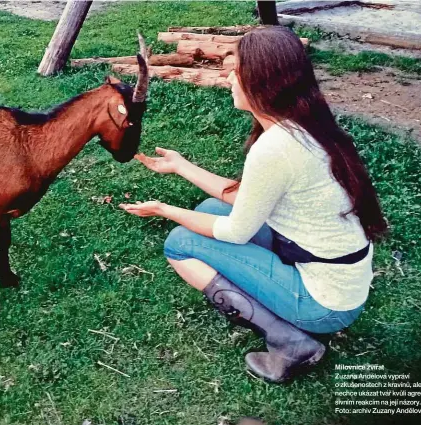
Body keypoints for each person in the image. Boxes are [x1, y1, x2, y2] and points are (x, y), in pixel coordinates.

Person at [119, 26, 387, 383]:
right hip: (336, 277)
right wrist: (180, 166)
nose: (229, 77)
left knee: (179, 244)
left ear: (262, 81)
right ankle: (277, 306)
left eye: (237, 69)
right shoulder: (301, 125)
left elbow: (235, 231)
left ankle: (290, 342)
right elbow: (242, 199)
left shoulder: (275, 148)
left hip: (325, 305)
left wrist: (165, 210)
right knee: (208, 211)